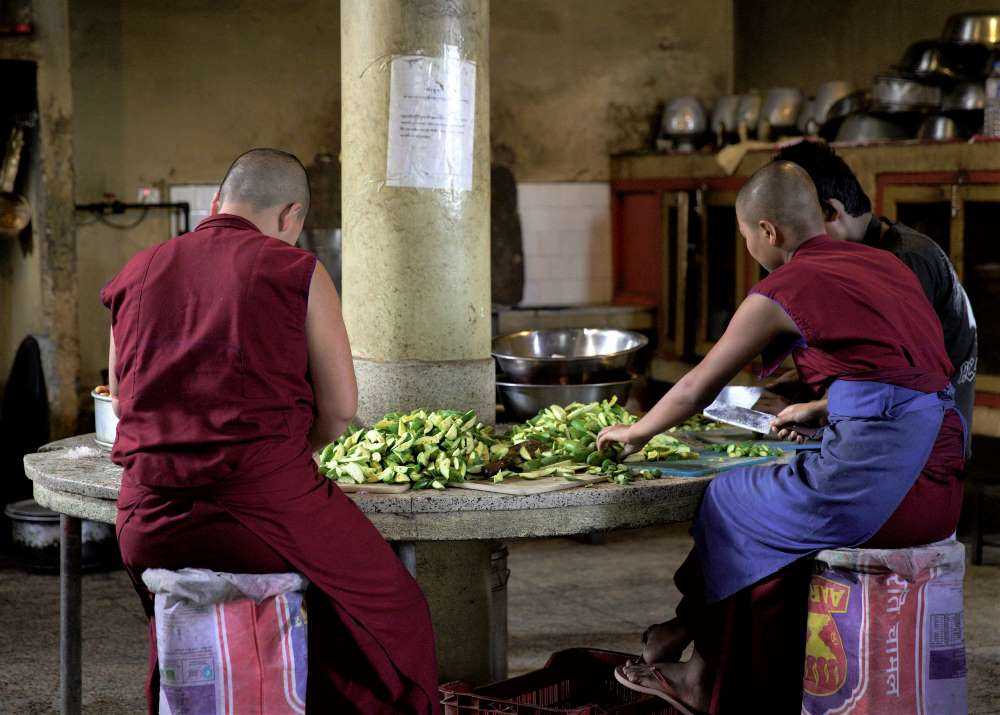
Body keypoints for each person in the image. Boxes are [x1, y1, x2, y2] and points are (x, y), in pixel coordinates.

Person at [597, 161, 965, 714]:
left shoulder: (783, 287)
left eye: (746, 237)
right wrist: (825, 406)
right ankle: (686, 637)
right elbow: (907, 372)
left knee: (728, 499)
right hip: (943, 477)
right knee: (762, 506)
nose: (750, 248)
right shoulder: (885, 266)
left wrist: (636, 431)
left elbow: (698, 386)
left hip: (888, 488)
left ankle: (698, 670)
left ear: (768, 231)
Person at [102, 148, 439, 714]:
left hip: (147, 521)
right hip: (262, 514)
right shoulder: (296, 270)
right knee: (395, 610)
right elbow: (339, 408)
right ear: (291, 217)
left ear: (215, 203)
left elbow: (119, 399)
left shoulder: (137, 269)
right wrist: (286, 455)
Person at [776, 139, 977, 442]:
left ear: (830, 211)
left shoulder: (905, 259)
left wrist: (824, 406)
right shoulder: (863, 254)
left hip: (926, 441)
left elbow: (903, 379)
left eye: (802, 227)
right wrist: (802, 383)